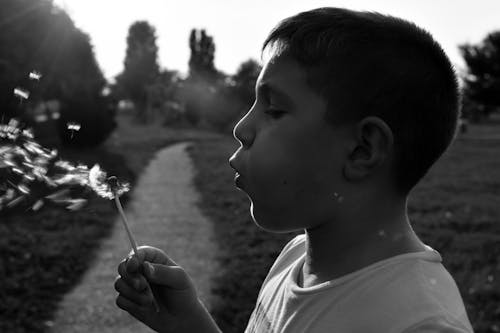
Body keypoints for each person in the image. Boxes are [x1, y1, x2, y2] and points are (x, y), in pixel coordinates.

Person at [114, 7, 474, 333]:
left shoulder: (419, 325)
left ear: (363, 149)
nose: (241, 128)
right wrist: (190, 325)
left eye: (274, 110)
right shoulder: (295, 257)